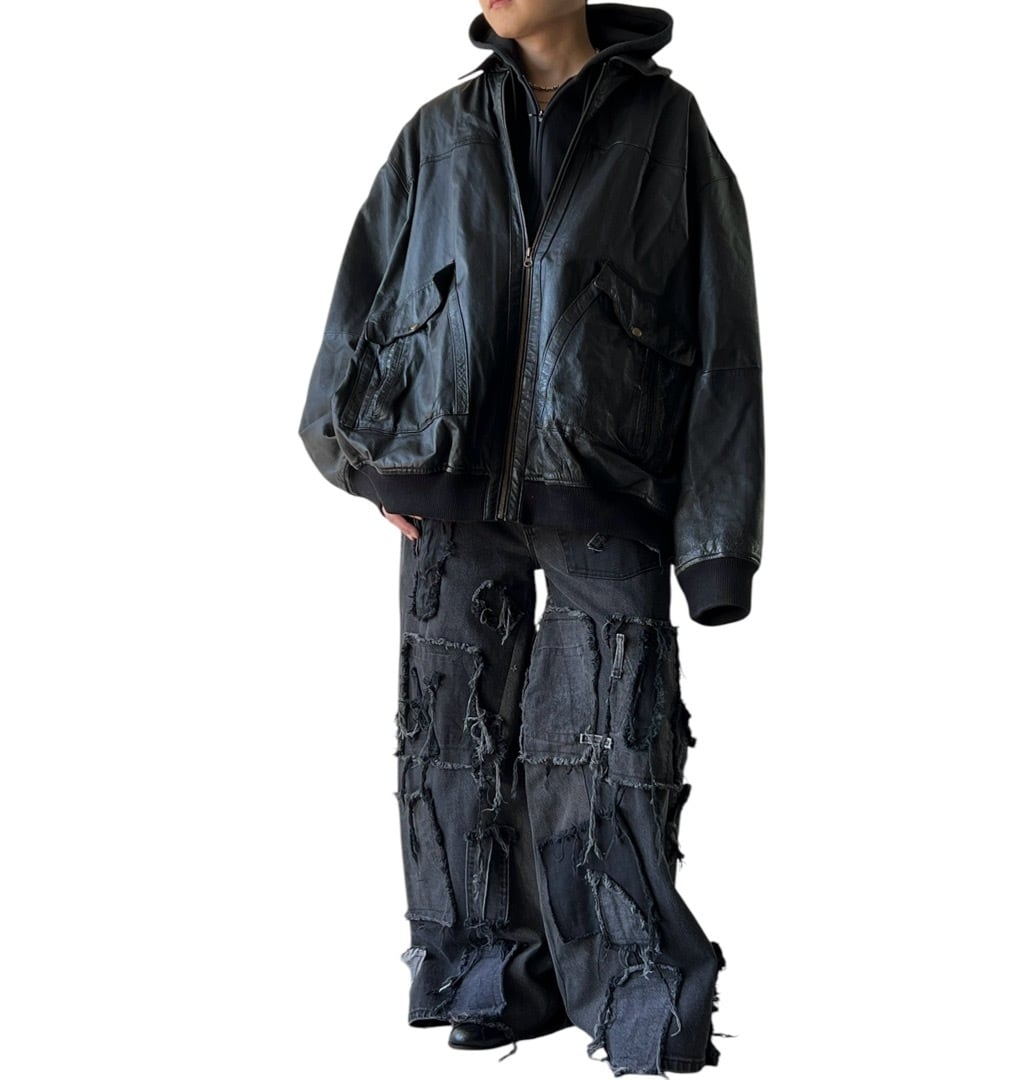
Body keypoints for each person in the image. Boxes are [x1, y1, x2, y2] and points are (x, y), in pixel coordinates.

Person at [297, 1, 764, 1073]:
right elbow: (363, 296)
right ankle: (488, 978)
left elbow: (724, 329)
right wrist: (359, 451)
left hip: (607, 473)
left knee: (609, 741)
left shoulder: (667, 128)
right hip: (448, 477)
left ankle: (636, 996)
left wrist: (717, 541)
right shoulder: (439, 128)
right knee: (451, 738)